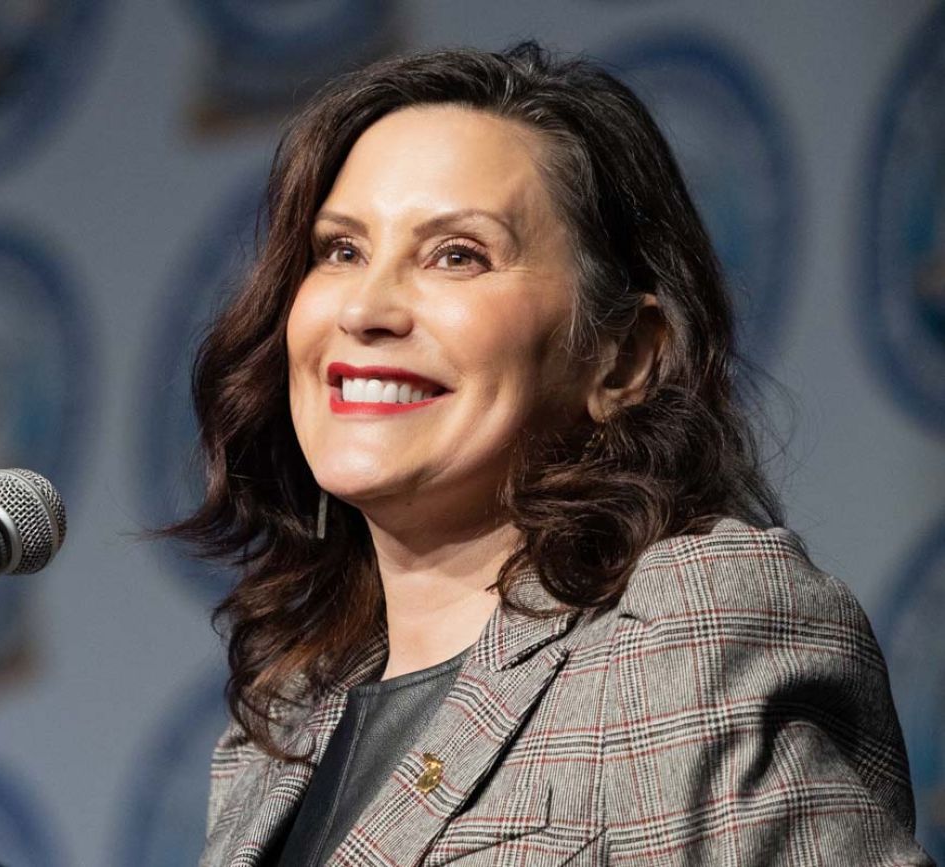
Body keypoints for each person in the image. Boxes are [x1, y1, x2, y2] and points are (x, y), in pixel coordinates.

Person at [169, 43, 933, 865]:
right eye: (341, 249)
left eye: (457, 255)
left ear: (623, 358)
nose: (366, 307)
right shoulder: (283, 719)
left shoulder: (681, 632)